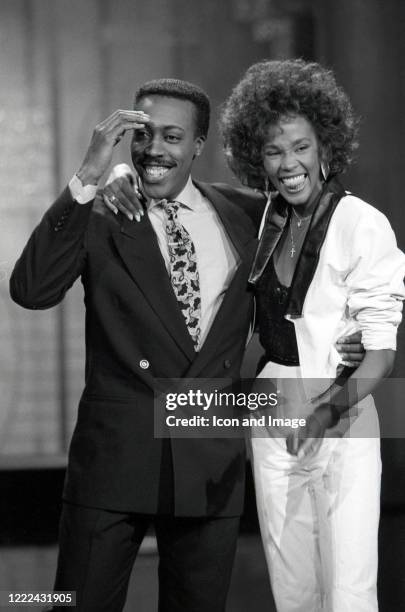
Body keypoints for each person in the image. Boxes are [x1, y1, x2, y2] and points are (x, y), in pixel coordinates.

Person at [10, 76, 363, 612]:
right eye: (144, 135)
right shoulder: (101, 213)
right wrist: (89, 176)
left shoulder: (252, 214)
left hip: (208, 459)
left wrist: (355, 336)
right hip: (116, 459)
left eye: (172, 137)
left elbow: (315, 271)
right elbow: (31, 290)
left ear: (199, 145)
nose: (154, 149)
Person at [219, 59, 405, 612]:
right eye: (274, 152)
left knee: (348, 590)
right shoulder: (266, 221)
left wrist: (327, 407)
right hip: (273, 411)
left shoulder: (360, 223)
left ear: (326, 146)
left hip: (341, 411)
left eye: (300, 147)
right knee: (292, 586)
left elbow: (381, 356)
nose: (288, 164)